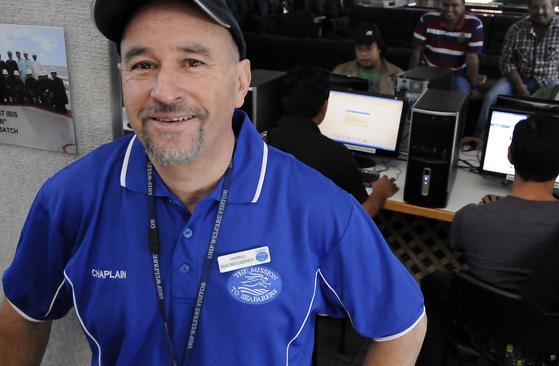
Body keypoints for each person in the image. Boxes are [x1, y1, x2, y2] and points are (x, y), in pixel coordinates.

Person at [0, 1, 427, 365]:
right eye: (143, 64)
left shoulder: (318, 208)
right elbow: (21, 311)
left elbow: (403, 326)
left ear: (241, 82)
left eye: (193, 62)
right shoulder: (71, 197)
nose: (165, 91)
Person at [417, 113, 559, 365]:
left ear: (509, 155)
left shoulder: (471, 218)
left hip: (487, 341)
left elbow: (461, 244)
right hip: (558, 349)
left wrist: (493, 211)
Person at [267, 66, 399, 217]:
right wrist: (380, 192)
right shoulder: (335, 153)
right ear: (324, 106)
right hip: (318, 237)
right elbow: (362, 215)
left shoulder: (266, 140)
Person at [475, 0, 559, 137]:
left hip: (551, 81)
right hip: (518, 77)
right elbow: (506, 62)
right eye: (535, 7)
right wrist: (519, 86)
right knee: (491, 96)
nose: (540, 11)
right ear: (529, 9)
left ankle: (552, 141)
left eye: (544, 7)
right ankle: (479, 138)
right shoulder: (516, 29)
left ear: (554, 8)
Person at [408, 0, 484, 96]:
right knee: (411, 96)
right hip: (428, 70)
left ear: (463, 6)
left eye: (454, 5)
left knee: (460, 97)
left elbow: (472, 59)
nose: (449, 9)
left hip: (457, 73)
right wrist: (409, 78)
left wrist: (473, 87)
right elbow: (416, 52)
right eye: (445, 5)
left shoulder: (474, 24)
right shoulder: (427, 19)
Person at [332, 22, 403, 95]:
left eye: (369, 48)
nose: (363, 54)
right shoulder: (340, 72)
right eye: (359, 49)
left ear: (379, 48)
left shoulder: (398, 76)